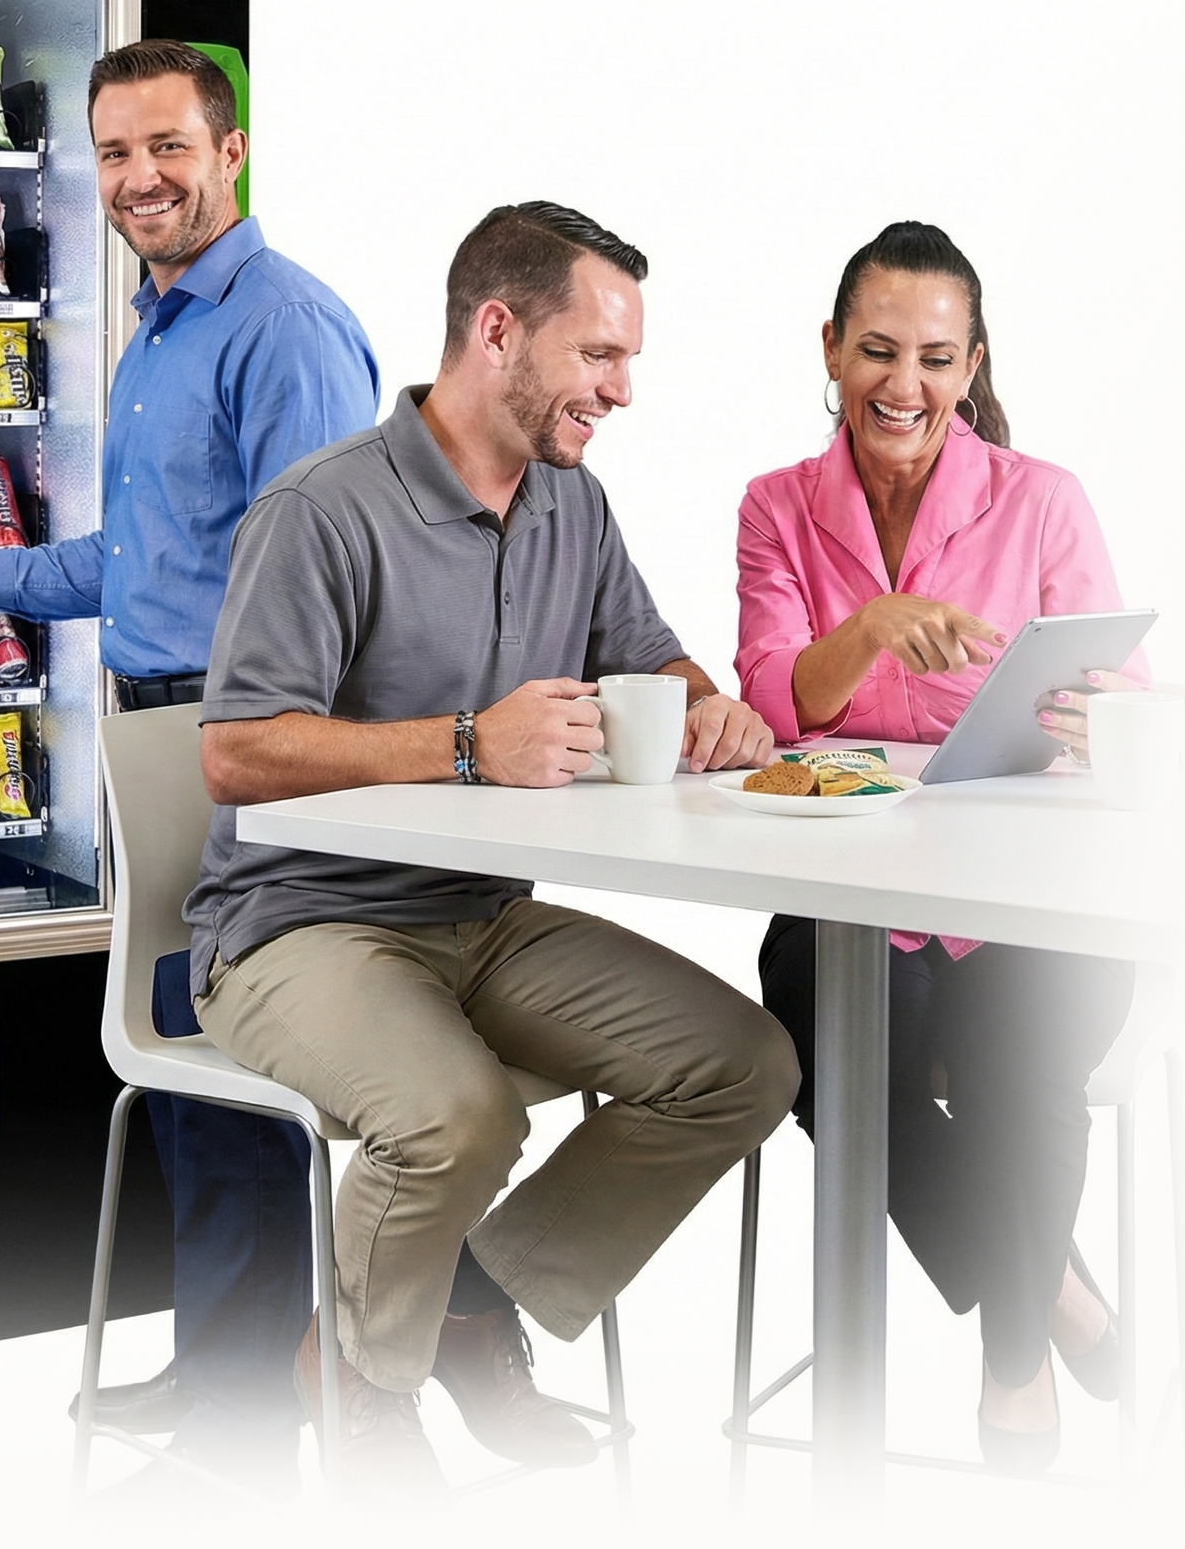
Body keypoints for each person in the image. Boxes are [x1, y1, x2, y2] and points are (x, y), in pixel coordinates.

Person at [181, 201, 800, 1499]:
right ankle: (362, 1376)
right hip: (297, 927)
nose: (623, 390)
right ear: (497, 329)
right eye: (601, 356)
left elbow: (649, 654)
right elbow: (237, 753)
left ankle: (462, 1307)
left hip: (483, 920)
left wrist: (702, 700)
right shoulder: (325, 509)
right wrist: (468, 743)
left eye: (628, 361)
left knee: (742, 1063)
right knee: (453, 1115)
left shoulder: (573, 503)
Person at [0, 38, 383, 1488]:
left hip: (251, 745)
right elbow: (133, 557)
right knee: (188, 1063)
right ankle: (228, 1357)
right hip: (158, 737)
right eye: (111, 152)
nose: (138, 178)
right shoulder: (158, 329)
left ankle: (251, 1418)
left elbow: (340, 576)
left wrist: (280, 758)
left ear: (230, 153)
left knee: (237, 1053)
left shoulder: (283, 327)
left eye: (166, 147)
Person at [736, 220, 1141, 1472]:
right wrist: (873, 629)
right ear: (830, 349)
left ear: (971, 367)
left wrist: (1103, 714)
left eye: (932, 357)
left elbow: (1131, 686)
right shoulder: (777, 507)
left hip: (1028, 891)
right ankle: (1049, 1290)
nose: (900, 385)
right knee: (815, 1027)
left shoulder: (1044, 501)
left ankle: (1014, 1362)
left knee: (1032, 1051)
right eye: (875, 351)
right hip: (856, 898)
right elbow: (767, 697)